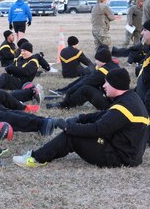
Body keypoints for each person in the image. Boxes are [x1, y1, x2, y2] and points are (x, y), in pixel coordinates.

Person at [13, 68, 149, 168]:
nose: (103, 86)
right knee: (75, 131)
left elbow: (98, 129)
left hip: (121, 158)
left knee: (71, 136)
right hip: (128, 153)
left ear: (115, 85)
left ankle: (35, 159)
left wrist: (68, 127)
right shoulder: (130, 99)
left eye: (107, 83)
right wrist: (80, 118)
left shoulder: (124, 107)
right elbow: (104, 115)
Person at [46, 48, 119, 110]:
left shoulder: (102, 72)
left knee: (85, 89)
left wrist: (69, 92)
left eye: (96, 60)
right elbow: (86, 78)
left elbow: (85, 82)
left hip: (111, 104)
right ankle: (63, 91)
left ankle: (64, 105)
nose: (95, 62)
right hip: (118, 101)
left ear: (102, 60)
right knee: (85, 78)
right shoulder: (114, 66)